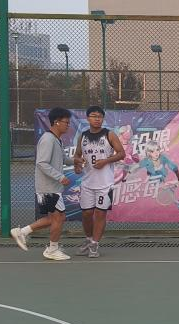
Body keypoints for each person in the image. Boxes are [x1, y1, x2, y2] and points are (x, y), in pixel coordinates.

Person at [10, 107, 73, 261]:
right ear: (56, 122)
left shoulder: (56, 139)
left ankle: (22, 232)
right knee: (59, 218)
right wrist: (60, 177)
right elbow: (42, 163)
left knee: (54, 218)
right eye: (66, 122)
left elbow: (63, 159)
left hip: (51, 188)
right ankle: (52, 249)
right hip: (48, 188)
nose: (68, 125)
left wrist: (76, 161)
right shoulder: (48, 139)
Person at [73, 106, 124, 259]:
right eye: (94, 116)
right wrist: (77, 165)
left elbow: (121, 153)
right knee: (87, 214)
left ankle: (95, 244)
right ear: (87, 118)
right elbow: (77, 155)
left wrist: (105, 161)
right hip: (87, 183)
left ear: (103, 119)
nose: (97, 119)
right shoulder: (83, 136)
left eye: (100, 117)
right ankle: (88, 239)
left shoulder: (109, 134)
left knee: (100, 214)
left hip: (105, 183)